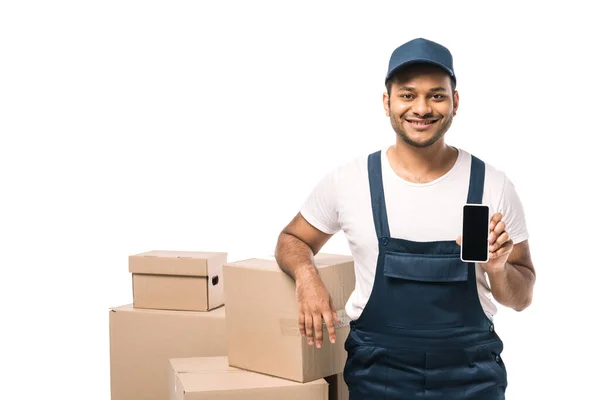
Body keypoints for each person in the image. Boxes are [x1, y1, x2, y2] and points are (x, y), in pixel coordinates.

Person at [274, 37, 536, 399]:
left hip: (473, 380)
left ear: (455, 102)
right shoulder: (349, 182)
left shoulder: (494, 185)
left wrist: (497, 268)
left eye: (437, 95)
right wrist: (307, 277)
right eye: (408, 95)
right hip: (378, 378)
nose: (422, 108)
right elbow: (292, 239)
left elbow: (522, 297)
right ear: (387, 102)